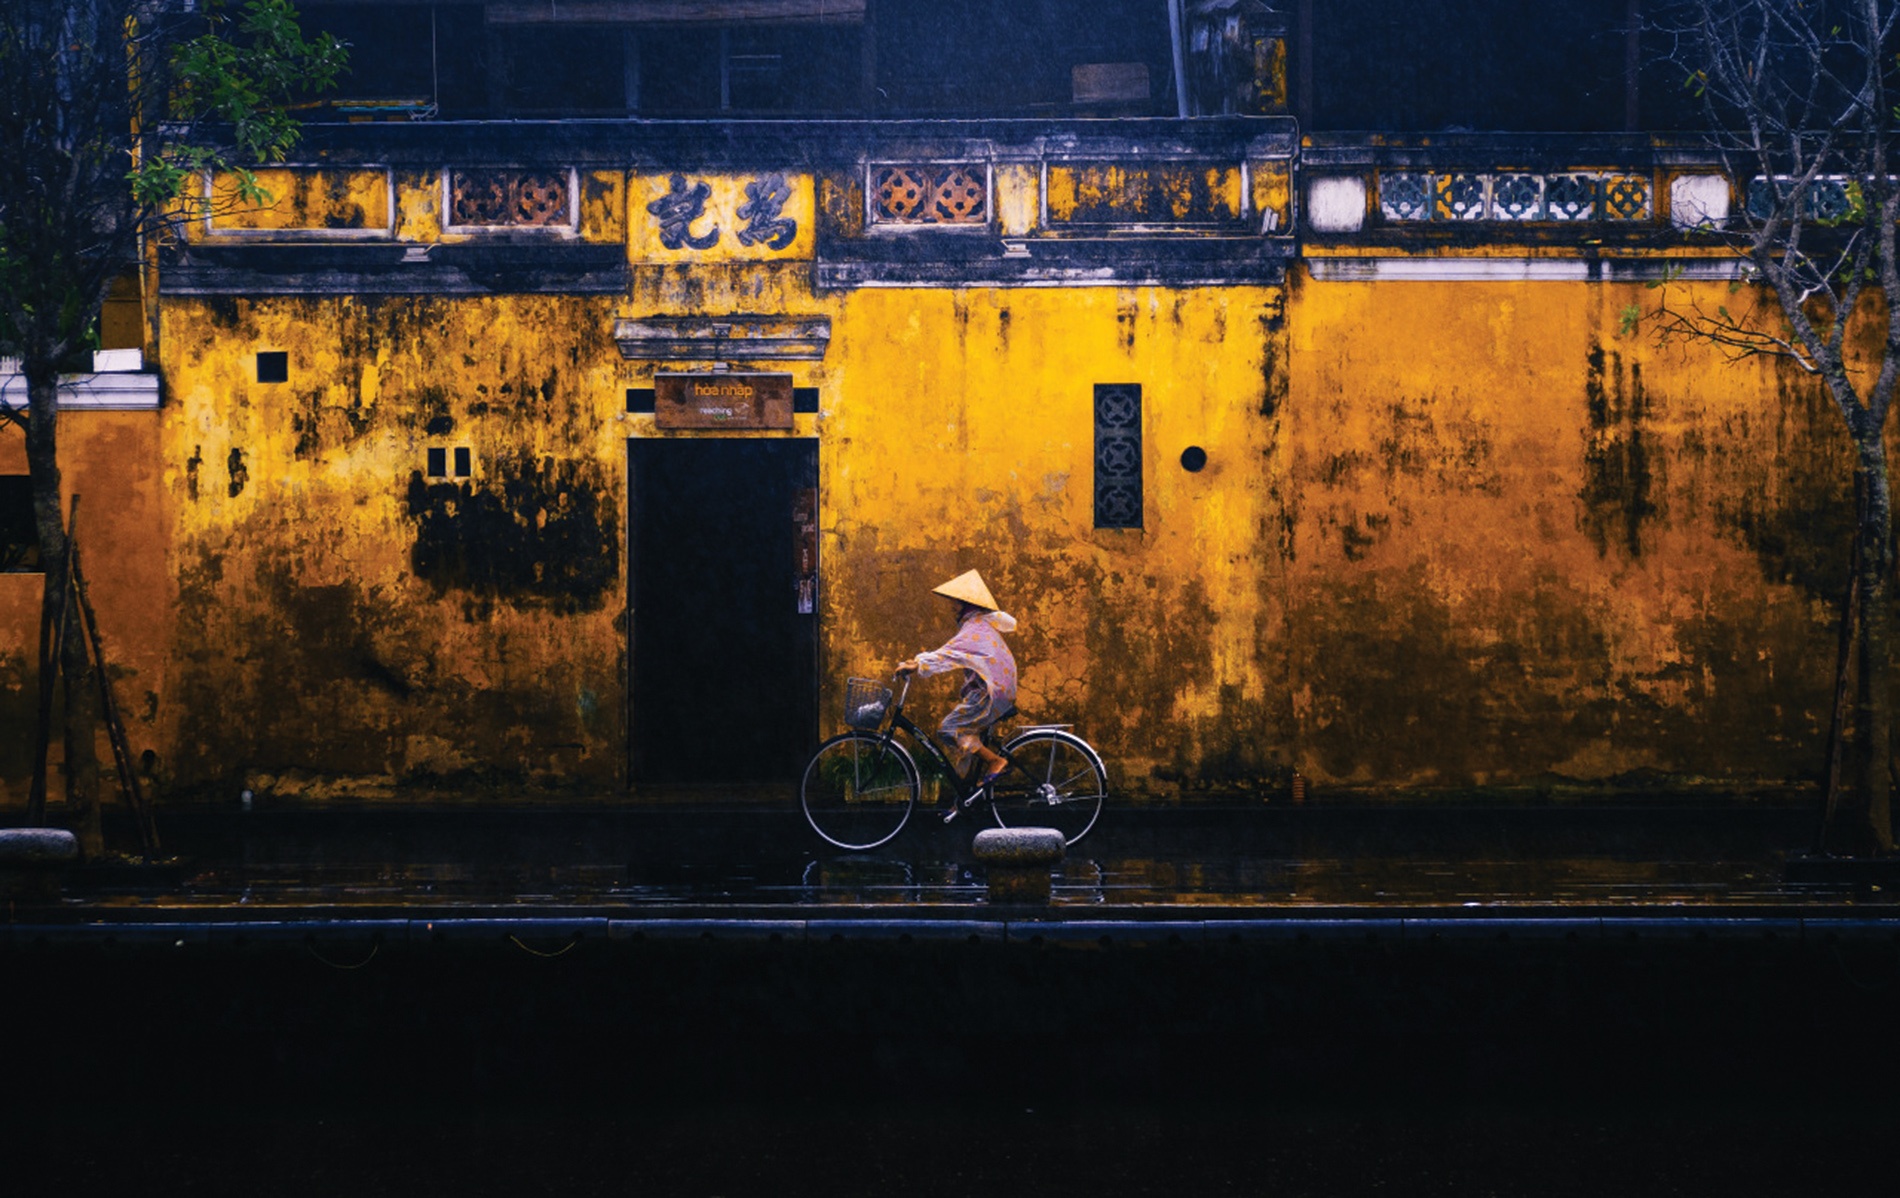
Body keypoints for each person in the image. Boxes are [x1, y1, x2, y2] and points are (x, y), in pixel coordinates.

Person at [895, 569, 1019, 786]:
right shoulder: (978, 625)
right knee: (965, 742)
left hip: (989, 694)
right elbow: (954, 652)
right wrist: (917, 662)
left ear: (967, 604)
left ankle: (996, 761)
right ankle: (964, 798)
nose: (952, 606)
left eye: (956, 602)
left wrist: (916, 664)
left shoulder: (976, 628)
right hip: (994, 691)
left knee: (950, 729)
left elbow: (949, 654)